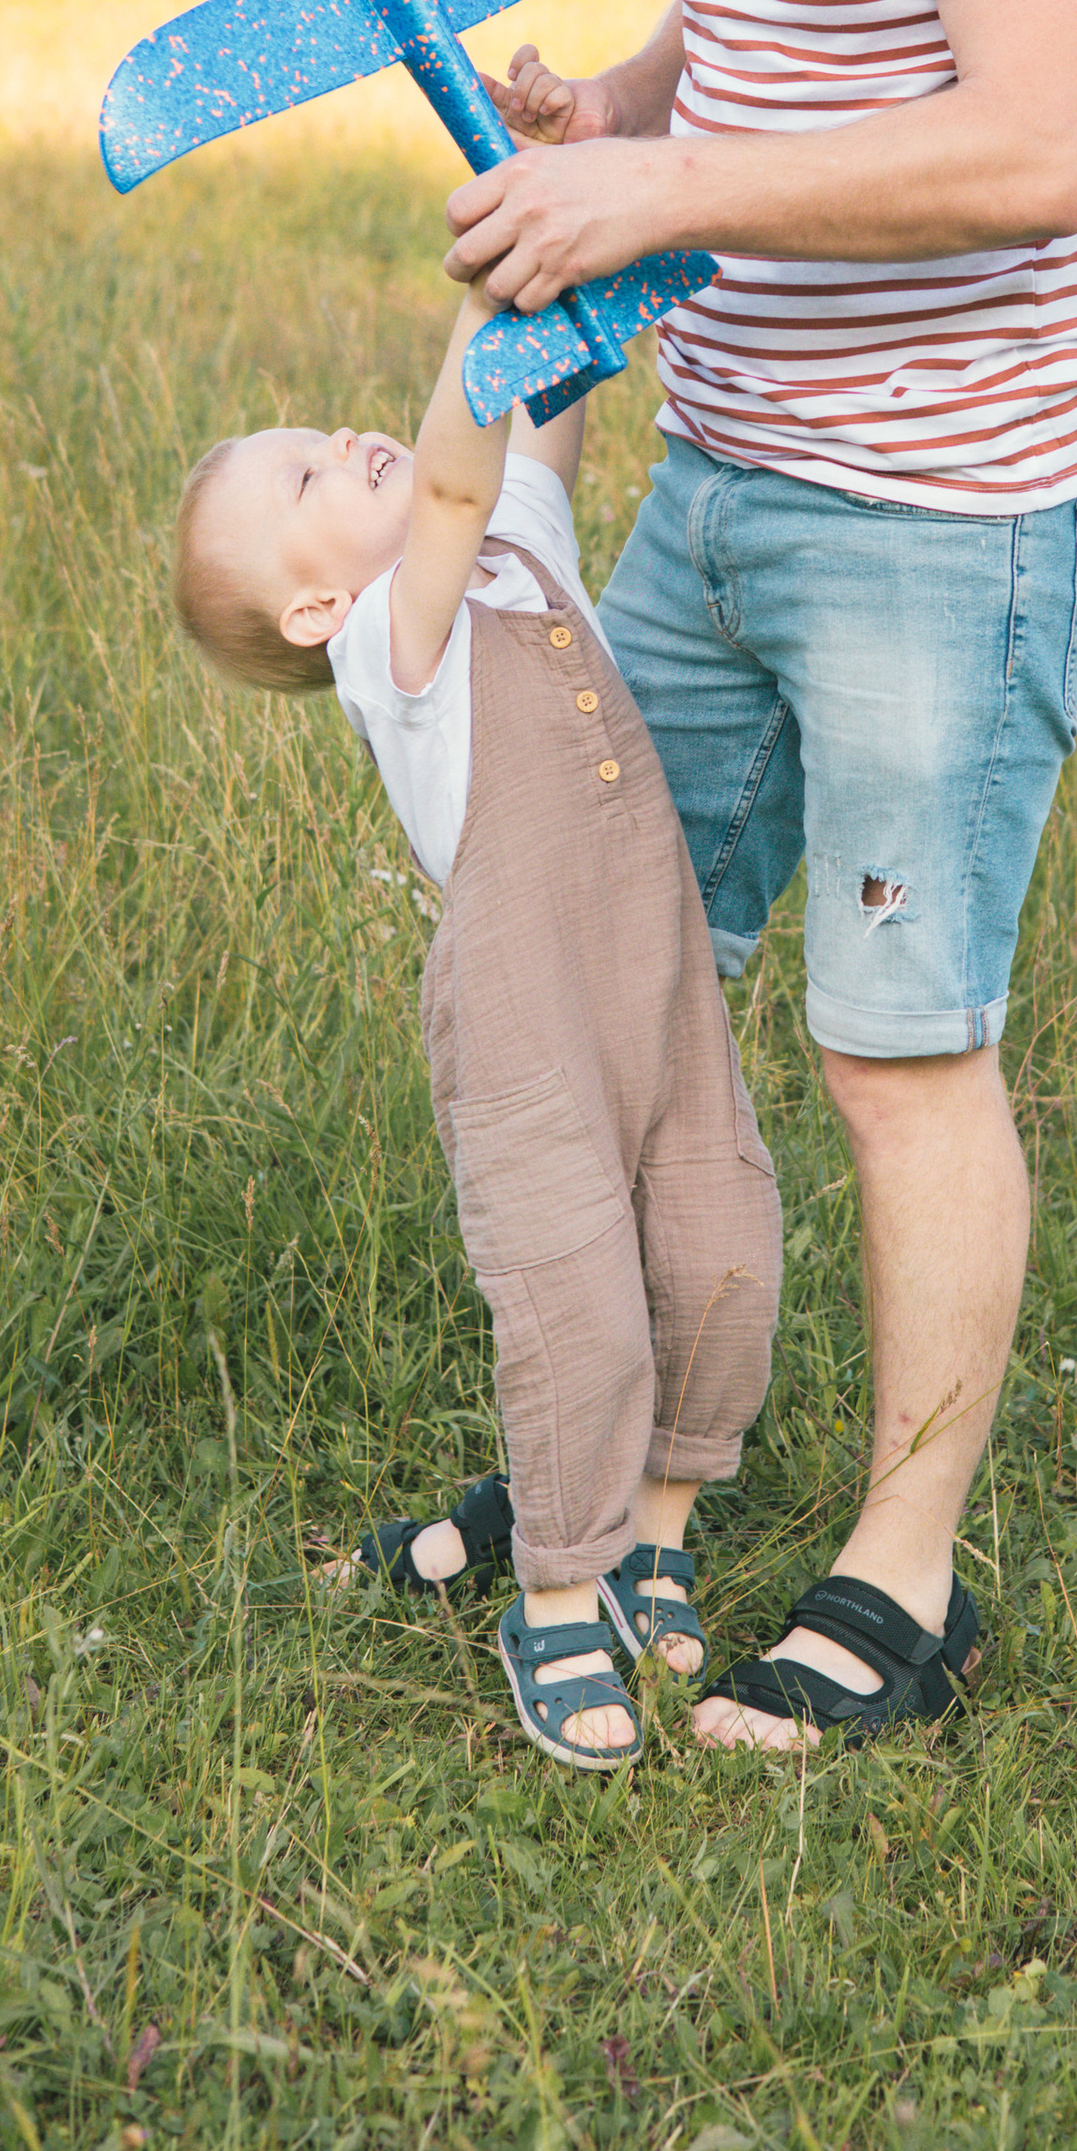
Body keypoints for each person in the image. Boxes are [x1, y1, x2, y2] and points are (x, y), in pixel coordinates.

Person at [456, 0, 1077, 1752]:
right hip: (728, 472)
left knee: (892, 1047)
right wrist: (624, 112)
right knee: (611, 981)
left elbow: (1020, 147)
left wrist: (671, 188)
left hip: (947, 516)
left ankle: (903, 1574)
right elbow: (768, 26)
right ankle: (618, 1479)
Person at [171, 279, 783, 1769]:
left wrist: (563, 261)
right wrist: (488, 292)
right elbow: (451, 465)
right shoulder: (396, 647)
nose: (346, 442)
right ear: (315, 609)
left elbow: (536, 442)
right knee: (571, 1287)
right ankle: (555, 1589)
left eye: (323, 432)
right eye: (307, 477)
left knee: (721, 1245)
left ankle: (655, 1531)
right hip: (525, 1017)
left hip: (656, 982)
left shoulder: (511, 552)